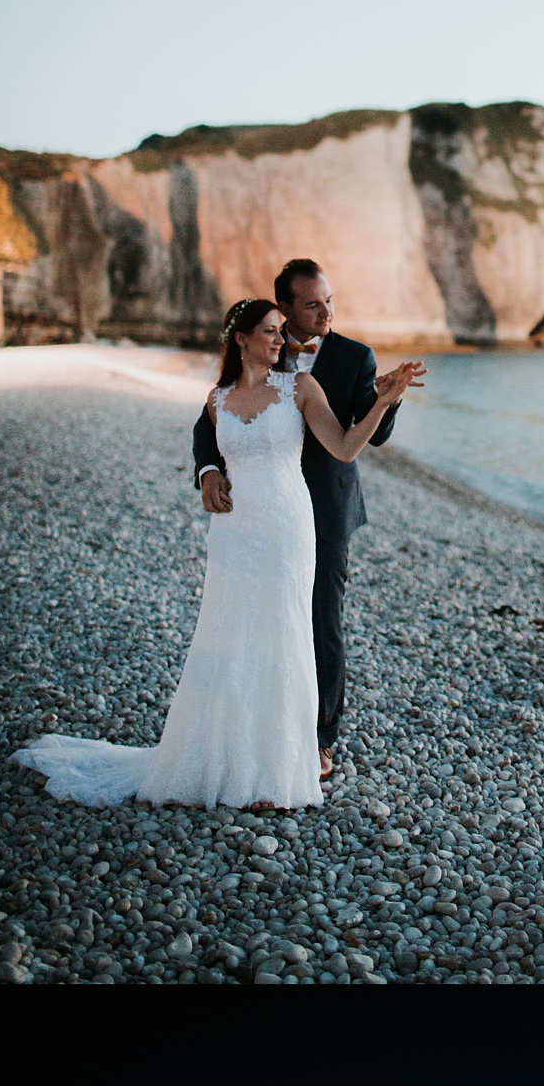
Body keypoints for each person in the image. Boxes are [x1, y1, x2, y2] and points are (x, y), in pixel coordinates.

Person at [15, 297, 424, 817]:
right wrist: (208, 472)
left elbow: (343, 448)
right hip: (233, 533)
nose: (281, 340)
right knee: (227, 634)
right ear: (242, 338)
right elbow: (207, 445)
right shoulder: (217, 399)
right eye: (272, 332)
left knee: (282, 633)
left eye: (282, 331)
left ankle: (274, 770)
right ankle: (218, 757)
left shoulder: (299, 387)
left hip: (287, 528)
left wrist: (383, 401)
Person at [192, 258, 399, 775]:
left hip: (324, 510)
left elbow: (369, 436)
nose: (325, 311)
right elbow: (211, 421)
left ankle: (321, 736)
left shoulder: (356, 357)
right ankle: (250, 726)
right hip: (255, 511)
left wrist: (384, 401)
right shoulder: (268, 349)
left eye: (329, 300)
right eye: (312, 303)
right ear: (284, 309)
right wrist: (209, 469)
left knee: (320, 620)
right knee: (256, 618)